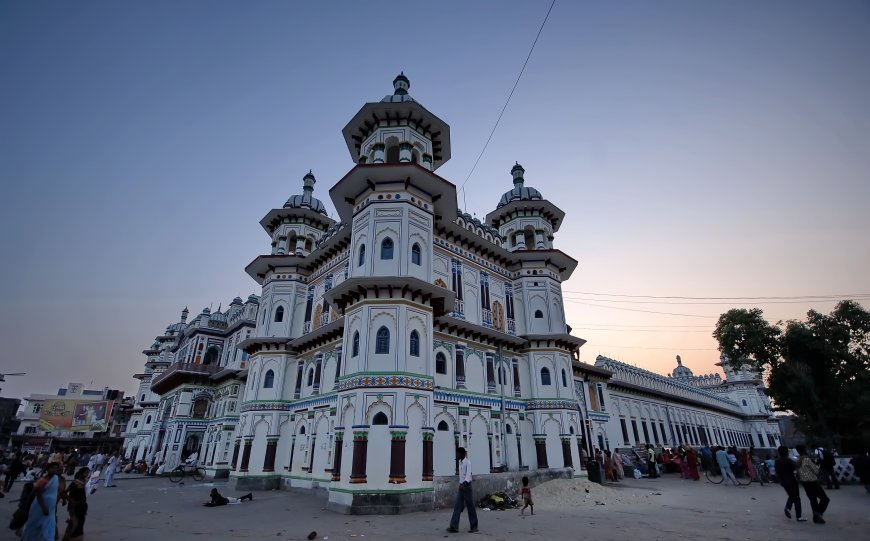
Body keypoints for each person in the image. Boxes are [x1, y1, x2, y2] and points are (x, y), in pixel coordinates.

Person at [22, 462, 61, 541]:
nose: (54, 470)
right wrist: (43, 508)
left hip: (51, 507)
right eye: (52, 468)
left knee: (48, 526)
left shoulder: (56, 478)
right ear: (48, 469)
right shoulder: (43, 480)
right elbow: (38, 495)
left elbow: (56, 491)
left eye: (56, 468)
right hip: (40, 507)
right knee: (35, 524)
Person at [447, 447, 478, 534]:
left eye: (457, 453)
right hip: (461, 486)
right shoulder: (460, 463)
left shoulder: (468, 463)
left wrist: (463, 484)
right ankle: (454, 526)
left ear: (462, 454)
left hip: (467, 486)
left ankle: (474, 526)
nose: (456, 455)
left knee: (470, 506)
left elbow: (468, 475)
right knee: (457, 506)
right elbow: (461, 476)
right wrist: (460, 484)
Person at [796, 444, 829, 524]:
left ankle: (816, 517)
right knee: (825, 499)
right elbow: (816, 471)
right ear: (804, 450)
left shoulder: (798, 460)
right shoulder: (807, 459)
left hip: (805, 483)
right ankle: (818, 514)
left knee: (813, 500)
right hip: (813, 482)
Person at [775, 446, 805, 522]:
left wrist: (780, 481)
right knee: (797, 498)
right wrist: (800, 459)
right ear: (786, 452)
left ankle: (788, 508)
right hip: (791, 480)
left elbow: (777, 473)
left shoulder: (777, 461)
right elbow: (796, 466)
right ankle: (799, 516)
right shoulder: (788, 460)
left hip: (783, 482)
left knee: (792, 495)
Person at [62, 467, 90, 541]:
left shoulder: (85, 482)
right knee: (75, 523)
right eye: (86, 472)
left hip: (82, 505)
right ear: (81, 473)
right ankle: (69, 538)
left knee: (76, 523)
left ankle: (67, 537)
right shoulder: (75, 482)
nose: (87, 474)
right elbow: (65, 492)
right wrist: (70, 501)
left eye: (88, 473)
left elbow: (85, 493)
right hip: (74, 505)